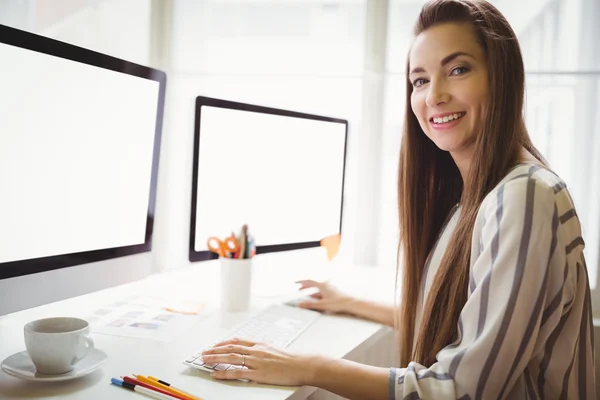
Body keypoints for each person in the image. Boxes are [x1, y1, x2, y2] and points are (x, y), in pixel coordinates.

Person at [200, 0, 596, 398]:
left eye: (458, 69)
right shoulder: (479, 196)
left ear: (502, 78)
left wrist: (308, 367)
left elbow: (461, 391)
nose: (434, 95)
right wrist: (349, 302)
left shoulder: (525, 197)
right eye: (420, 80)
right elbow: (468, 326)